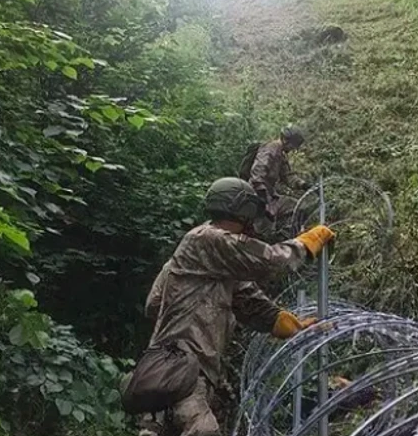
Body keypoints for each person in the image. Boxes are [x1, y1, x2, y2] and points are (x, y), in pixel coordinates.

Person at [135, 177, 335, 436]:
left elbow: (154, 304)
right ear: (242, 209)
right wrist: (305, 244)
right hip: (185, 368)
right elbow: (269, 261)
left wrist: (282, 321)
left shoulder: (195, 254)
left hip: (160, 369)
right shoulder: (209, 238)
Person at [247, 126, 309, 240]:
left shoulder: (281, 154)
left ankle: (285, 238)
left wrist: (304, 185)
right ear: (286, 140)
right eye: (293, 145)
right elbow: (257, 174)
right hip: (258, 197)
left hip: (270, 196)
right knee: (262, 232)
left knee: (297, 207)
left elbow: (287, 177)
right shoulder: (269, 149)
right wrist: (263, 200)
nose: (293, 149)